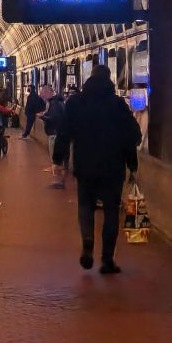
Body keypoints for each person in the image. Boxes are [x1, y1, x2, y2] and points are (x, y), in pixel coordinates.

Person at [53, 65, 140, 274]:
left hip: (85, 165)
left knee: (85, 206)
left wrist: (58, 159)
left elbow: (63, 132)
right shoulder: (117, 104)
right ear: (109, 79)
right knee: (111, 211)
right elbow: (132, 137)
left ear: (89, 78)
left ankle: (88, 243)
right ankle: (107, 260)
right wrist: (132, 165)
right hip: (113, 167)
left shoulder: (75, 103)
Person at [45, 85, 72, 188]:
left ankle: (59, 179)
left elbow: (55, 118)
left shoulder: (55, 104)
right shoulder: (117, 103)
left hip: (55, 131)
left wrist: (44, 117)